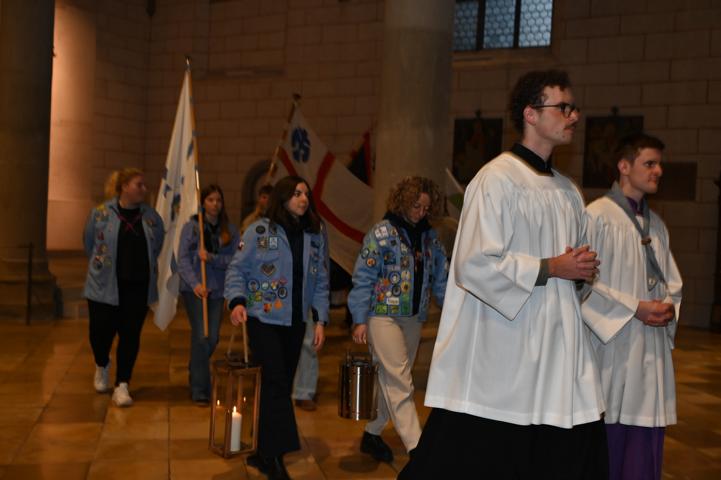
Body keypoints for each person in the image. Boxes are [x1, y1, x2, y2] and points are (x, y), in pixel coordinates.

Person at [400, 70, 609, 479]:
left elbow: (572, 269)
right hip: (507, 342)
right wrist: (551, 267)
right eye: (563, 107)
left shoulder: (569, 191)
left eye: (574, 108)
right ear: (531, 114)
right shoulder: (496, 179)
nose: (573, 116)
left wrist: (580, 271)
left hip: (558, 342)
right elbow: (474, 264)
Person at [581, 133, 682, 480]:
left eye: (659, 164)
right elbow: (583, 284)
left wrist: (668, 307)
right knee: (611, 446)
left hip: (650, 350)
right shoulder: (597, 217)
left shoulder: (656, 225)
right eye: (649, 163)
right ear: (624, 166)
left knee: (645, 447)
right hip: (614, 349)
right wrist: (633, 308)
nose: (658, 171)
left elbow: (672, 283)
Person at [225, 175, 329, 480]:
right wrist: (237, 302)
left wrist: (320, 320)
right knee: (276, 385)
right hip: (263, 320)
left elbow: (320, 281)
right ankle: (276, 456)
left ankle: (260, 452)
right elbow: (237, 269)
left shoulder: (314, 235)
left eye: (306, 194)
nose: (303, 199)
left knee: (274, 387)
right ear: (283, 197)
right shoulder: (259, 230)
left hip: (296, 322)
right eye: (297, 193)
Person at [348, 176, 448, 462]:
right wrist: (359, 319)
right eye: (416, 206)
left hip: (414, 317)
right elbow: (363, 277)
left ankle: (372, 433)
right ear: (403, 202)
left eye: (426, 208)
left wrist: (451, 311)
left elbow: (441, 279)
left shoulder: (430, 238)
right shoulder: (381, 233)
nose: (421, 213)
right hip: (382, 316)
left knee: (388, 377)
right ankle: (418, 448)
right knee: (400, 379)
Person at [83, 168, 164, 407]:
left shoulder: (151, 216)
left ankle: (122, 384)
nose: (144, 189)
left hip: (137, 288)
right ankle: (102, 363)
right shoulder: (100, 213)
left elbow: (157, 245)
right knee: (99, 334)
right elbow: (89, 243)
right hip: (103, 287)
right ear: (123, 187)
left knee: (130, 336)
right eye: (139, 184)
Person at [177, 184, 240, 405]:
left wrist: (212, 258)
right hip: (195, 290)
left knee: (212, 338)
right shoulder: (192, 227)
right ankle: (200, 389)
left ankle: (196, 367)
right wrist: (195, 284)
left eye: (218, 200)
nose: (215, 204)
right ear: (203, 203)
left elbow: (235, 259)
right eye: (210, 200)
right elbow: (182, 259)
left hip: (217, 290)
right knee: (201, 336)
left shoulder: (229, 231)